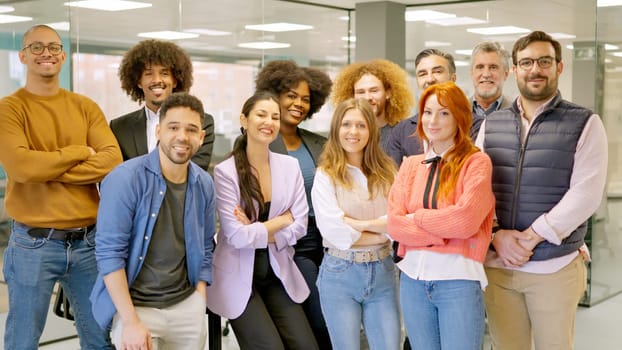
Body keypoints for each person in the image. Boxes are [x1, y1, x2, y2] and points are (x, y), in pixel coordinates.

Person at [475, 30, 608, 350]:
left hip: (555, 266)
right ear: (515, 70)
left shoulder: (585, 122)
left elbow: (586, 193)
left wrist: (532, 235)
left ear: (559, 67)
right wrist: (496, 235)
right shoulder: (491, 126)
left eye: (544, 61)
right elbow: (475, 189)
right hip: (500, 267)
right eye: (526, 62)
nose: (535, 69)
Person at [0, 24, 121, 349]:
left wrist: (47, 168)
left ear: (63, 55)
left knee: (100, 338)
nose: (46, 54)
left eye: (53, 47)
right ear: (23, 56)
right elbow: (21, 167)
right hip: (33, 245)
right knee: (22, 341)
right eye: (36, 47)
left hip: (89, 245)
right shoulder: (9, 108)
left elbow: (111, 161)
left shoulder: (85, 106)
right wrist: (78, 152)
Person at [90, 92, 216, 349]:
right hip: (136, 306)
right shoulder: (125, 179)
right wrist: (130, 321)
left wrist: (199, 299)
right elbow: (109, 254)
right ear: (158, 131)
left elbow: (205, 246)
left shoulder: (203, 183)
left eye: (191, 129)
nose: (182, 136)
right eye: (173, 127)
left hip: (186, 304)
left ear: (201, 138)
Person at [205, 91, 318, 350]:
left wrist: (255, 230)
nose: (269, 122)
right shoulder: (226, 172)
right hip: (237, 276)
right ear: (244, 120)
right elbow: (236, 236)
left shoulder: (289, 168)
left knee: (306, 345)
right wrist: (280, 221)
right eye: (261, 115)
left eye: (275, 117)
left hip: (277, 271)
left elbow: (299, 226)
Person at [387, 81, 495, 350]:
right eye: (427, 112)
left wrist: (418, 218)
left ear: (460, 117)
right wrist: (443, 231)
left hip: (457, 282)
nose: (433, 120)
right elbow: (395, 225)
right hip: (412, 280)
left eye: (444, 113)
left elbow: (465, 221)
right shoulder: (411, 165)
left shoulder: (476, 162)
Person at [312, 98, 400, 350]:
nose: (353, 132)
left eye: (361, 125)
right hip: (340, 273)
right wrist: (379, 229)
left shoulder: (387, 172)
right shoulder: (326, 174)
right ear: (336, 129)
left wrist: (355, 224)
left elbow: (396, 225)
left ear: (371, 130)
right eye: (346, 124)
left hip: (383, 272)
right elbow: (334, 231)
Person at [256, 59, 333, 349]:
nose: (298, 104)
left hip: (326, 239)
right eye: (291, 95)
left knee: (330, 315)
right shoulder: (261, 142)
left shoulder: (318, 143)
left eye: (305, 99)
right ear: (274, 95)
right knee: (319, 315)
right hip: (291, 241)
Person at [111, 39, 215, 170]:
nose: (157, 80)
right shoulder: (119, 128)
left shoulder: (201, 122)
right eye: (148, 74)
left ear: (176, 80)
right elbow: (118, 173)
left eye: (164, 73)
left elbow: (195, 170)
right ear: (138, 82)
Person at [387, 49, 456, 166]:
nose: (430, 79)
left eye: (438, 71)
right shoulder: (401, 132)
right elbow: (396, 180)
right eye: (422, 74)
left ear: (453, 79)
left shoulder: (475, 126)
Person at [331, 59, 414, 153]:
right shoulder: (345, 134)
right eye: (361, 92)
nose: (367, 97)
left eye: (374, 90)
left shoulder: (402, 133)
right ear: (352, 96)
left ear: (388, 93)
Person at [469, 41, 513, 139]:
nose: (486, 74)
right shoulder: (456, 113)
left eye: (493, 67)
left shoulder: (518, 115)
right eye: (480, 67)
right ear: (472, 73)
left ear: (505, 74)